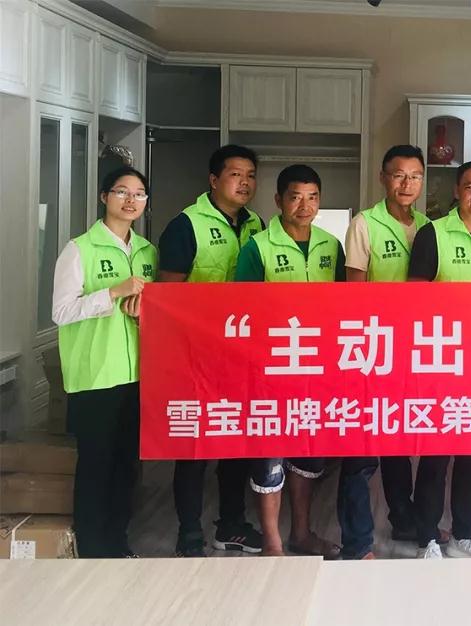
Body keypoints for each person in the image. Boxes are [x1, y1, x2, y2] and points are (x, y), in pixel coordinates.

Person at [234, 164, 346, 559]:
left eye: (312, 197)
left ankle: (301, 533)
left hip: (316, 368)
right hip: (271, 368)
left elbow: (344, 305)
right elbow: (242, 309)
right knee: (270, 455)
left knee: (308, 455)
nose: (304, 206)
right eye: (295, 197)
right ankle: (272, 544)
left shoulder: (331, 245)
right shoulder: (258, 247)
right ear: (278, 200)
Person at [158, 144, 264, 557]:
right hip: (196, 355)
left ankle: (231, 525)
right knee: (195, 446)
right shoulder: (186, 225)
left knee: (235, 442)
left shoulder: (257, 224)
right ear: (214, 179)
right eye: (235, 174)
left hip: (241, 354)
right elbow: (169, 295)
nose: (244, 182)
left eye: (250, 175)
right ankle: (189, 533)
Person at [406, 160, 471, 559]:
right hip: (443, 358)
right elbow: (415, 297)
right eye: (470, 186)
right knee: (436, 455)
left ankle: (467, 533)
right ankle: (427, 537)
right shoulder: (433, 233)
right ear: (456, 191)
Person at [343, 145, 447, 547]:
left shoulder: (430, 226)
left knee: (427, 431)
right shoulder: (365, 224)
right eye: (399, 175)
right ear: (383, 178)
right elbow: (354, 292)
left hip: (424, 345)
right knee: (392, 437)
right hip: (381, 345)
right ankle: (402, 516)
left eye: (415, 176)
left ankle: (423, 517)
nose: (407, 184)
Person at [52, 167, 157, 558]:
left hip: (137, 375)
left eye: (139, 193)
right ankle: (92, 549)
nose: (131, 200)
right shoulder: (80, 249)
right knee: (96, 466)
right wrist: (112, 293)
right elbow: (61, 312)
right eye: (122, 191)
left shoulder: (147, 252)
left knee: (126, 465)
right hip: (95, 376)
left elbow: (155, 310)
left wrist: (143, 311)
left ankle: (117, 542)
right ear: (104, 197)